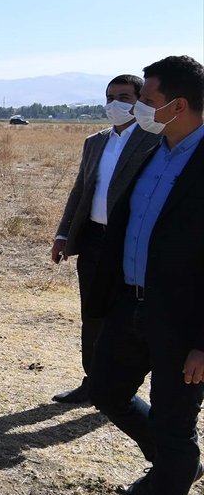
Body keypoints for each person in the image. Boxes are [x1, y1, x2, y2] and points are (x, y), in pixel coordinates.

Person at [86, 55, 204, 495]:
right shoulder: (153, 151)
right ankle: (173, 468)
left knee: (177, 427)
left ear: (178, 105)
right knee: (106, 390)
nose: (141, 111)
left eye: (149, 102)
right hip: (131, 305)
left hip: (184, 322)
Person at [50, 75, 159, 404]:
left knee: (133, 317)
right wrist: (63, 234)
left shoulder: (154, 141)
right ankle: (93, 382)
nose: (115, 104)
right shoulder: (95, 142)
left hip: (133, 241)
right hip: (95, 240)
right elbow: (80, 191)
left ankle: (125, 388)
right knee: (93, 313)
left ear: (139, 101)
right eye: (109, 97)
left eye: (124, 97)